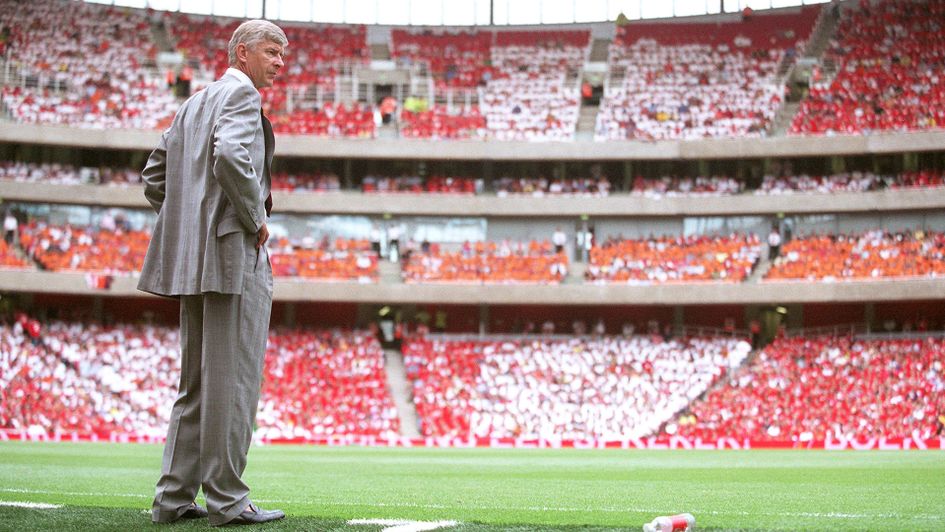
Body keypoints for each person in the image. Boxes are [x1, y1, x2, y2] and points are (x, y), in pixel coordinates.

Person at [138, 19, 287, 527]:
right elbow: (229, 155)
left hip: (195, 260)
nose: (279, 62)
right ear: (242, 53)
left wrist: (191, 223)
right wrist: (255, 218)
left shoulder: (193, 103)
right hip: (231, 257)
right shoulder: (242, 96)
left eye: (282, 54)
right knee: (233, 382)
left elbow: (154, 176)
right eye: (272, 52)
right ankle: (228, 499)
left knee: (196, 384)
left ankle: (173, 497)